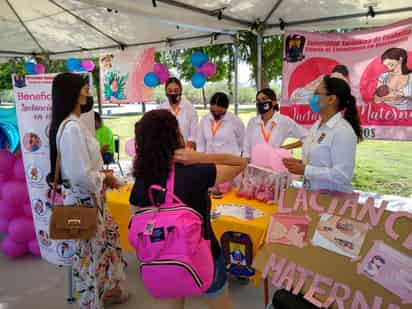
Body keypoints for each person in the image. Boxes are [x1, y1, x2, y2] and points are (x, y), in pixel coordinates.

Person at [130, 109, 248, 309]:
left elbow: (135, 218)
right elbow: (240, 162)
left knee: (175, 302)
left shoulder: (142, 180)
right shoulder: (195, 172)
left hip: (164, 257)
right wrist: (199, 157)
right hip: (203, 255)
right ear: (174, 136)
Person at [48, 73, 127, 308]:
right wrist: (104, 177)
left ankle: (108, 292)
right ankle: (91, 302)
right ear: (74, 92)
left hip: (92, 200)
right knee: (90, 258)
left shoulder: (73, 123)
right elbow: (80, 175)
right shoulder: (71, 128)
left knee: (104, 249)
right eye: (84, 87)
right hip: (85, 203)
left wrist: (103, 178)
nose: (88, 91)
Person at [283, 76, 363, 193]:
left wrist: (306, 170)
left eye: (316, 93)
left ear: (331, 99)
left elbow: (343, 175)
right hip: (311, 197)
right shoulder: (317, 125)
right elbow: (320, 162)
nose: (311, 97)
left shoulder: (342, 131)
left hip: (333, 202)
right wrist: (301, 164)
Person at [197, 92, 245, 195]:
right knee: (213, 194)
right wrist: (200, 161)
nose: (216, 112)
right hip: (211, 164)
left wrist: (238, 158)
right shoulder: (204, 120)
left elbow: (243, 142)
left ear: (226, 108)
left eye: (220, 110)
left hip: (230, 164)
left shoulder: (234, 120)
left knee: (232, 194)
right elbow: (200, 143)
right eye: (213, 110)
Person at [243, 88, 307, 158]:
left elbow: (307, 137)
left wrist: (286, 147)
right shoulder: (252, 122)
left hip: (274, 166)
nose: (260, 102)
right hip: (254, 165)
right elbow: (246, 145)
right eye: (258, 100)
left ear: (273, 102)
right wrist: (246, 159)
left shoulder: (283, 121)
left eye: (264, 99)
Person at [158, 77, 198, 149]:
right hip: (165, 151)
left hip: (186, 151)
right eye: (170, 90)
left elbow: (193, 136)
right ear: (166, 92)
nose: (173, 93)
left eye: (176, 90)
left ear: (181, 91)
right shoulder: (160, 109)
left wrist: (186, 152)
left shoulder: (190, 108)